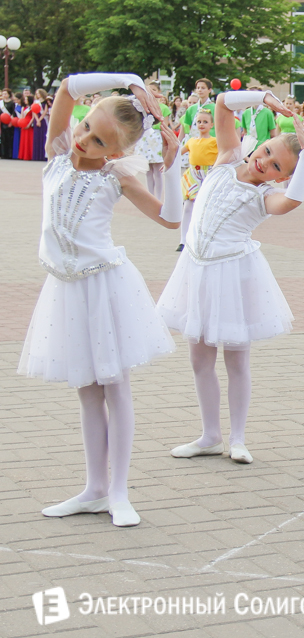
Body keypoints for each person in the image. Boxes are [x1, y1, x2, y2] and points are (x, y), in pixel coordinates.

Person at [21, 72, 183, 527]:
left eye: (97, 140)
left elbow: (171, 219)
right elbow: (67, 89)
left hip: (105, 289)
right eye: (85, 126)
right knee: (87, 392)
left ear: (117, 152)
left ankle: (119, 491)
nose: (83, 139)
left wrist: (171, 165)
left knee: (115, 388)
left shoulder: (116, 178)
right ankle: (93, 488)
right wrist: (129, 81)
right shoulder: (56, 156)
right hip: (66, 289)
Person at [158, 89, 304, 466]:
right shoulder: (226, 158)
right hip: (196, 270)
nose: (266, 162)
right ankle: (210, 435)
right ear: (259, 143)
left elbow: (291, 202)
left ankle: (238, 438)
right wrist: (264, 99)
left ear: (284, 176)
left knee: (236, 360)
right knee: (199, 358)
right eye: (268, 151)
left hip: (232, 275)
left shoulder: (265, 197)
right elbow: (223, 103)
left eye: (278, 166)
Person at [176, 110, 218, 252]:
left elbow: (226, 154)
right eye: (199, 122)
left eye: (205, 122)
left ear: (211, 125)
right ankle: (183, 240)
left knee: (207, 208)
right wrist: (169, 163)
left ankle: (206, 238)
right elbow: (177, 154)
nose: (201, 124)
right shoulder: (191, 141)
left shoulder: (214, 141)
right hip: (193, 175)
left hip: (208, 175)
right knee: (188, 206)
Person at [0, 88, 15, 159]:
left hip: (9, 123)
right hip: (2, 123)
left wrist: (11, 122)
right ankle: (3, 154)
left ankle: (9, 154)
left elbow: (13, 113)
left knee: (9, 138)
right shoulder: (1, 103)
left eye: (5, 94)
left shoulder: (12, 103)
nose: (4, 95)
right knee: (3, 138)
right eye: (3, 94)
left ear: (9, 94)